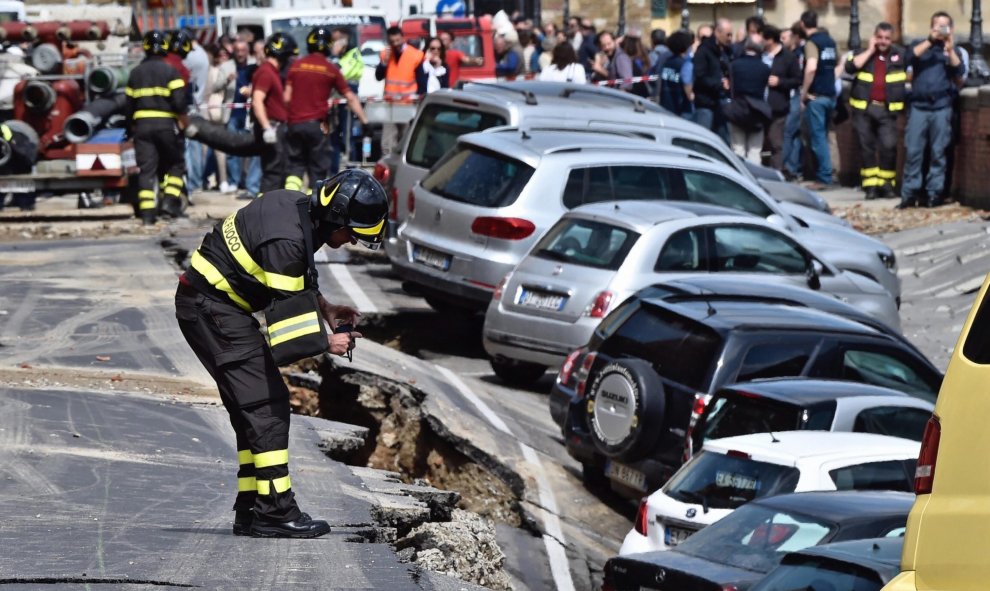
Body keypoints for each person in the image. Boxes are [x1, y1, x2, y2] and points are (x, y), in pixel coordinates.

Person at [175, 168, 389, 539]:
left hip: (215, 307)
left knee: (251, 410)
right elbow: (289, 334)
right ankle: (275, 512)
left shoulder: (296, 209)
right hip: (211, 310)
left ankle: (252, 508)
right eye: (351, 233)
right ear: (335, 217)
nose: (350, 241)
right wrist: (328, 343)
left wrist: (327, 310)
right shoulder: (287, 239)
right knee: (267, 407)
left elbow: (296, 280)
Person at [286, 26, 371, 192]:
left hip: (295, 124)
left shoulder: (296, 66)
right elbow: (351, 97)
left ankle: (289, 198)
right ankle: (310, 207)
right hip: (317, 127)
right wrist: (365, 122)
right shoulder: (331, 70)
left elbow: (286, 98)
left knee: (295, 167)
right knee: (317, 170)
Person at [899, 11, 965, 209]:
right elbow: (908, 58)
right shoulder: (920, 46)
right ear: (931, 27)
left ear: (951, 29)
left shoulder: (953, 51)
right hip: (919, 106)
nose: (941, 30)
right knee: (913, 152)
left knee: (938, 152)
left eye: (945, 26)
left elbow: (960, 73)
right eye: (938, 26)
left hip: (941, 107)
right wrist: (930, 39)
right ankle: (909, 194)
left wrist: (950, 49)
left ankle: (934, 194)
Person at [125, 30, 188, 225]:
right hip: (165, 126)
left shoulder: (135, 73)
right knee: (177, 164)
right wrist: (183, 123)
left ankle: (147, 215)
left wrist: (130, 129)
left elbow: (128, 106)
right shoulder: (171, 71)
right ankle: (169, 202)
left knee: (146, 171)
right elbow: (179, 103)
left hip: (142, 128)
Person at [845, 22, 906, 200]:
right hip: (864, 108)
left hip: (887, 110)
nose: (883, 41)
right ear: (874, 37)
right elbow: (850, 67)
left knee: (889, 146)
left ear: (892, 39)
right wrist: (870, 50)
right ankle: (870, 186)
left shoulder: (899, 55)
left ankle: (886, 185)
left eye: (887, 38)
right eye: (879, 37)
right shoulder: (862, 53)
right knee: (867, 148)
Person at [250, 32, 296, 195]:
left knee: (279, 172)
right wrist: (267, 127)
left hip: (277, 128)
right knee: (273, 174)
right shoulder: (266, 72)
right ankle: (261, 212)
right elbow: (257, 100)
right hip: (272, 128)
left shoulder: (271, 72)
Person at [798, 10, 838, 190]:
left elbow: (811, 68)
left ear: (802, 24)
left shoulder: (812, 42)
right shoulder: (829, 41)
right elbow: (837, 66)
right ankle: (829, 173)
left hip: (817, 97)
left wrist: (804, 93)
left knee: (818, 138)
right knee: (826, 137)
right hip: (830, 95)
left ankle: (823, 177)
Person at [376, 26, 423, 156]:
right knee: (387, 143)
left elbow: (421, 81)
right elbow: (378, 76)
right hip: (389, 105)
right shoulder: (386, 54)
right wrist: (384, 63)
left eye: (398, 40)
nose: (395, 44)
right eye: (392, 42)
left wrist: (420, 100)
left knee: (405, 141)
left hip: (408, 105)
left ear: (403, 38)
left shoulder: (415, 55)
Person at [224, 40, 261, 200]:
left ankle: (250, 183)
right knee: (232, 149)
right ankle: (235, 181)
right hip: (233, 113)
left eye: (243, 50)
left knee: (252, 150)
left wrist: (251, 92)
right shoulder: (227, 66)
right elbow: (214, 87)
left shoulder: (255, 67)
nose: (240, 53)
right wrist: (227, 80)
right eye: (237, 50)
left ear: (248, 51)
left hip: (249, 115)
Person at [764, 25, 802, 172]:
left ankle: (778, 172)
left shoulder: (788, 57)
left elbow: (797, 80)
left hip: (778, 105)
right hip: (759, 105)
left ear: (770, 40)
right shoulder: (761, 55)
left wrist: (780, 82)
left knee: (777, 142)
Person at [727, 35, 771, 162]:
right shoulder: (765, 68)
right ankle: (754, 177)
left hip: (738, 109)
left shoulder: (734, 65)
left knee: (737, 148)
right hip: (758, 111)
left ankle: (739, 178)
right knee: (755, 150)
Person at [693, 19, 732, 145]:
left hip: (720, 102)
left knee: (723, 139)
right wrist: (719, 84)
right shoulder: (704, 51)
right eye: (728, 34)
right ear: (718, 32)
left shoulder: (726, 51)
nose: (730, 38)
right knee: (703, 141)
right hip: (706, 103)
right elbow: (700, 76)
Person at [183, 31, 210, 193]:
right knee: (196, 148)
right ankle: (196, 180)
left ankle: (192, 183)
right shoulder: (202, 54)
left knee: (189, 149)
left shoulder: (192, 57)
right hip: (197, 104)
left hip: (189, 107)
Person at [203, 43, 232, 193]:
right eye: (220, 55)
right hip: (213, 112)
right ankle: (216, 180)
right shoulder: (212, 70)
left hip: (224, 113)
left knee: (221, 151)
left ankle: (223, 180)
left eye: (226, 55)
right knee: (213, 151)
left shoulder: (230, 69)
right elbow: (209, 90)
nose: (223, 58)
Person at [782, 23, 806, 180]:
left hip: (797, 96)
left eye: (784, 38)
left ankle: (787, 167)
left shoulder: (797, 54)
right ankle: (794, 167)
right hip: (794, 97)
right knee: (795, 134)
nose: (782, 41)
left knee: (788, 132)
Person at [658, 30, 695, 119]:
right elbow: (689, 91)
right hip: (682, 110)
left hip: (666, 107)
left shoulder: (666, 63)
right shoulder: (686, 64)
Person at [647, 28, 672, 101]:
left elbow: (651, 73)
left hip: (656, 91)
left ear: (652, 40)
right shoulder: (669, 53)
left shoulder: (652, 55)